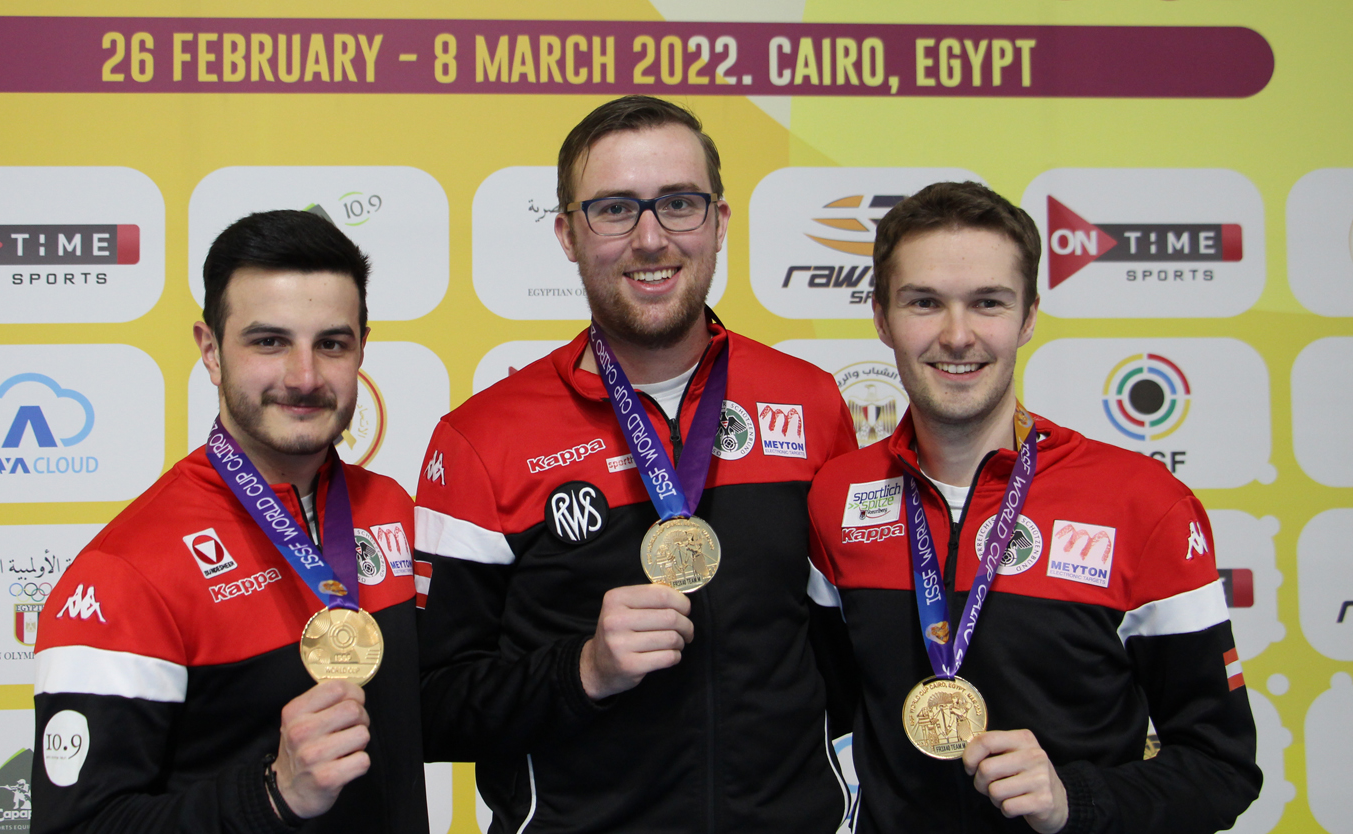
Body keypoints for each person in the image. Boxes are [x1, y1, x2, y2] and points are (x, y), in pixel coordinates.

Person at [414, 95, 859, 833]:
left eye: (679, 203)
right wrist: (581, 671)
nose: (651, 238)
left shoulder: (810, 403)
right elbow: (427, 706)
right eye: (615, 209)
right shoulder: (482, 438)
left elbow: (846, 655)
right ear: (567, 233)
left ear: (719, 221)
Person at [807, 181, 1260, 833]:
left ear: (1027, 316)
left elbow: (1222, 770)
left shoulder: (1142, 503)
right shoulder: (836, 498)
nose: (957, 335)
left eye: (987, 303)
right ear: (881, 315)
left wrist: (1076, 800)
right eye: (924, 303)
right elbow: (831, 718)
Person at [32, 210, 426, 833]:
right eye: (269, 341)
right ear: (211, 351)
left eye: (332, 343)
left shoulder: (394, 512)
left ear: (362, 348)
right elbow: (77, 827)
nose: (304, 377)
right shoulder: (128, 571)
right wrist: (271, 795)